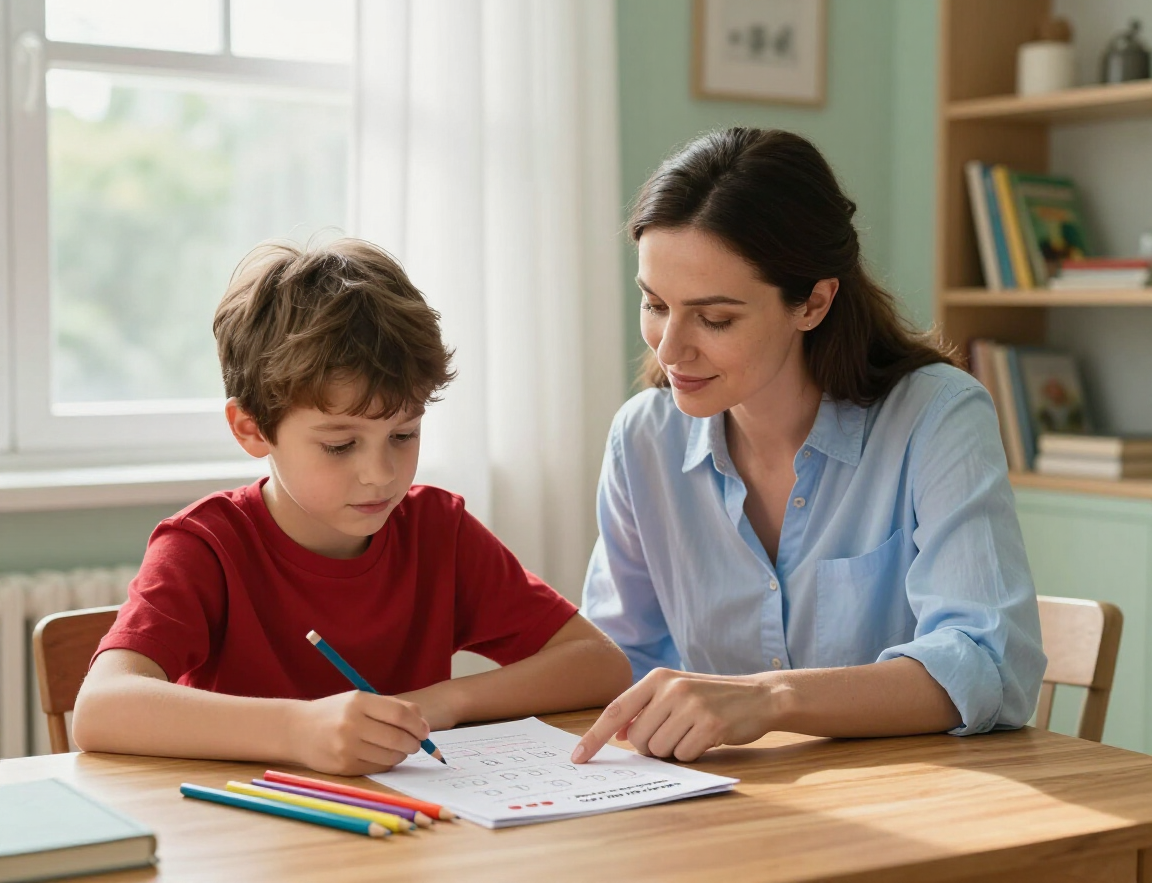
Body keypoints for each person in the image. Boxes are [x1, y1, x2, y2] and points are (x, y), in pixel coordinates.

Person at [572, 128, 1045, 766]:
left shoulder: (936, 416)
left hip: (919, 806)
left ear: (814, 303)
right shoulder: (643, 439)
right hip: (722, 812)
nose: (669, 348)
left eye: (715, 319)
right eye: (655, 304)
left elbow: (990, 665)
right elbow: (612, 662)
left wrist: (769, 698)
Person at [73, 238, 631, 775]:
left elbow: (599, 664)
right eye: (340, 445)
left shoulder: (438, 532)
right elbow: (102, 709)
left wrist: (440, 703)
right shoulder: (206, 547)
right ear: (252, 429)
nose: (381, 474)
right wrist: (298, 730)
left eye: (404, 434)